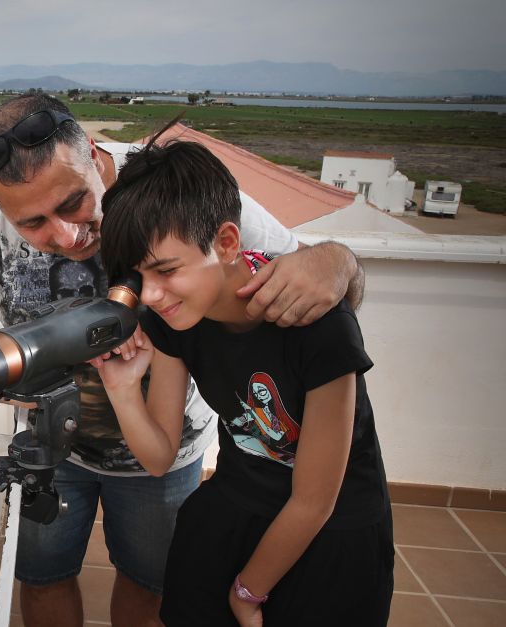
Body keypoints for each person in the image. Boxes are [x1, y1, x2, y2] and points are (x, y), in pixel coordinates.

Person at [0, 94, 363, 627]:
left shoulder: (162, 186)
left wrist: (340, 261)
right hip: (52, 448)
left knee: (149, 587)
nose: (65, 235)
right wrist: (19, 374)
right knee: (42, 580)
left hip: (166, 451)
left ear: (93, 154)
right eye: (32, 224)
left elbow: (300, 273)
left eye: (72, 203)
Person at [90, 138, 392, 626]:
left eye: (166, 270)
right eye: (139, 277)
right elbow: (161, 455)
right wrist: (122, 389)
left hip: (332, 532)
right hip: (236, 507)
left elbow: (315, 501)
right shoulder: (175, 323)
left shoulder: (317, 324)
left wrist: (249, 591)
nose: (152, 294)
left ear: (227, 243)